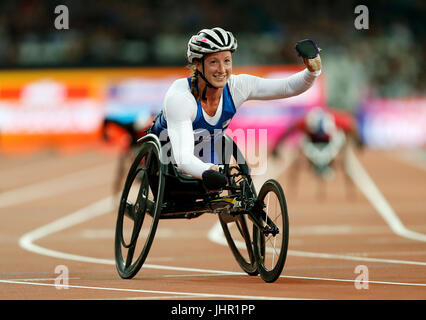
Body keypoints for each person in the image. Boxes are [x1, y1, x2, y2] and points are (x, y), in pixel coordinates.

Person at [150, 27, 322, 186]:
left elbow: (287, 87)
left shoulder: (237, 86)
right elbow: (183, 159)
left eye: (227, 61)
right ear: (197, 64)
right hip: (168, 153)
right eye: (213, 62)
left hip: (205, 148)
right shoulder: (180, 98)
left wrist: (312, 71)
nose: (222, 69)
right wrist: (209, 171)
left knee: (221, 188)